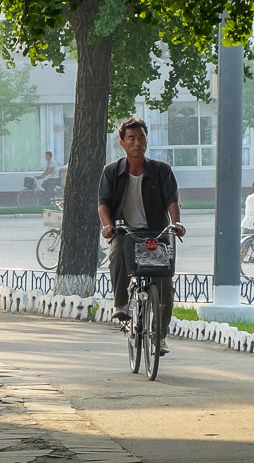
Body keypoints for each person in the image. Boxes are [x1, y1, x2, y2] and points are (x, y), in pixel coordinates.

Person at [98, 117, 186, 350]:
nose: (137, 143)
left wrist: (176, 223)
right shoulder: (111, 171)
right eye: (132, 139)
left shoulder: (161, 171)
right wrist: (108, 226)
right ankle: (121, 304)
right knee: (116, 253)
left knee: (164, 282)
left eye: (142, 138)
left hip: (156, 234)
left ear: (147, 140)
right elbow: (103, 204)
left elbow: (172, 200)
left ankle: (161, 335)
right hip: (124, 231)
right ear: (122, 143)